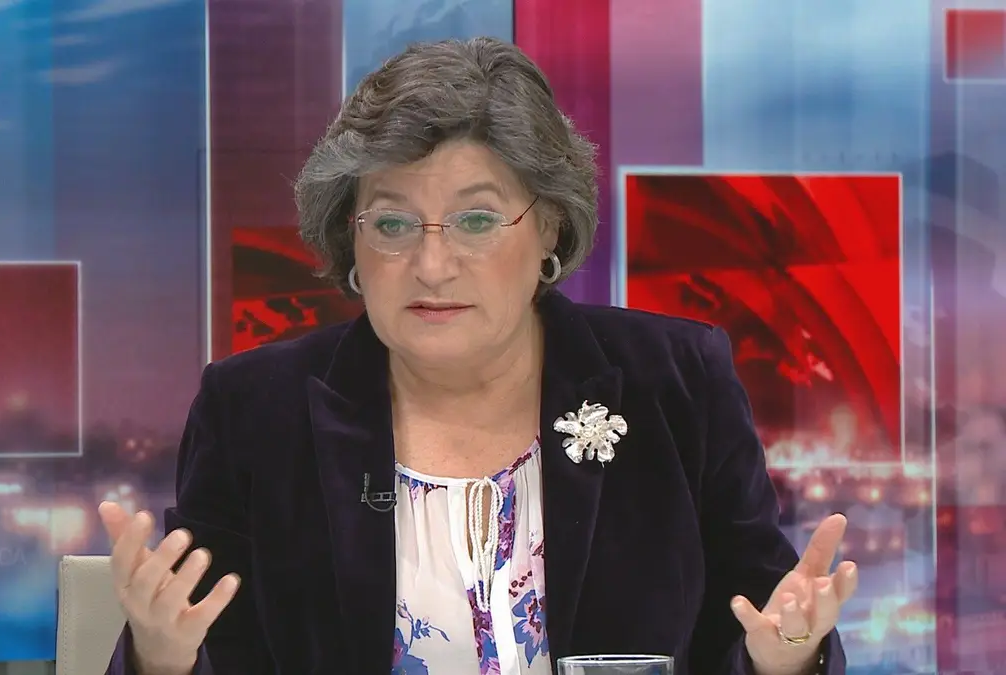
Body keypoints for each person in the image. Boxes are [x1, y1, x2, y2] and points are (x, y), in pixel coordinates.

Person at [101, 36, 858, 675]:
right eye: (392, 225)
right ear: (350, 240)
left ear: (549, 227)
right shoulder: (253, 409)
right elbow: (212, 643)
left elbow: (757, 626)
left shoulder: (678, 382)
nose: (432, 266)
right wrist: (160, 657)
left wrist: (788, 656)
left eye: (475, 220)